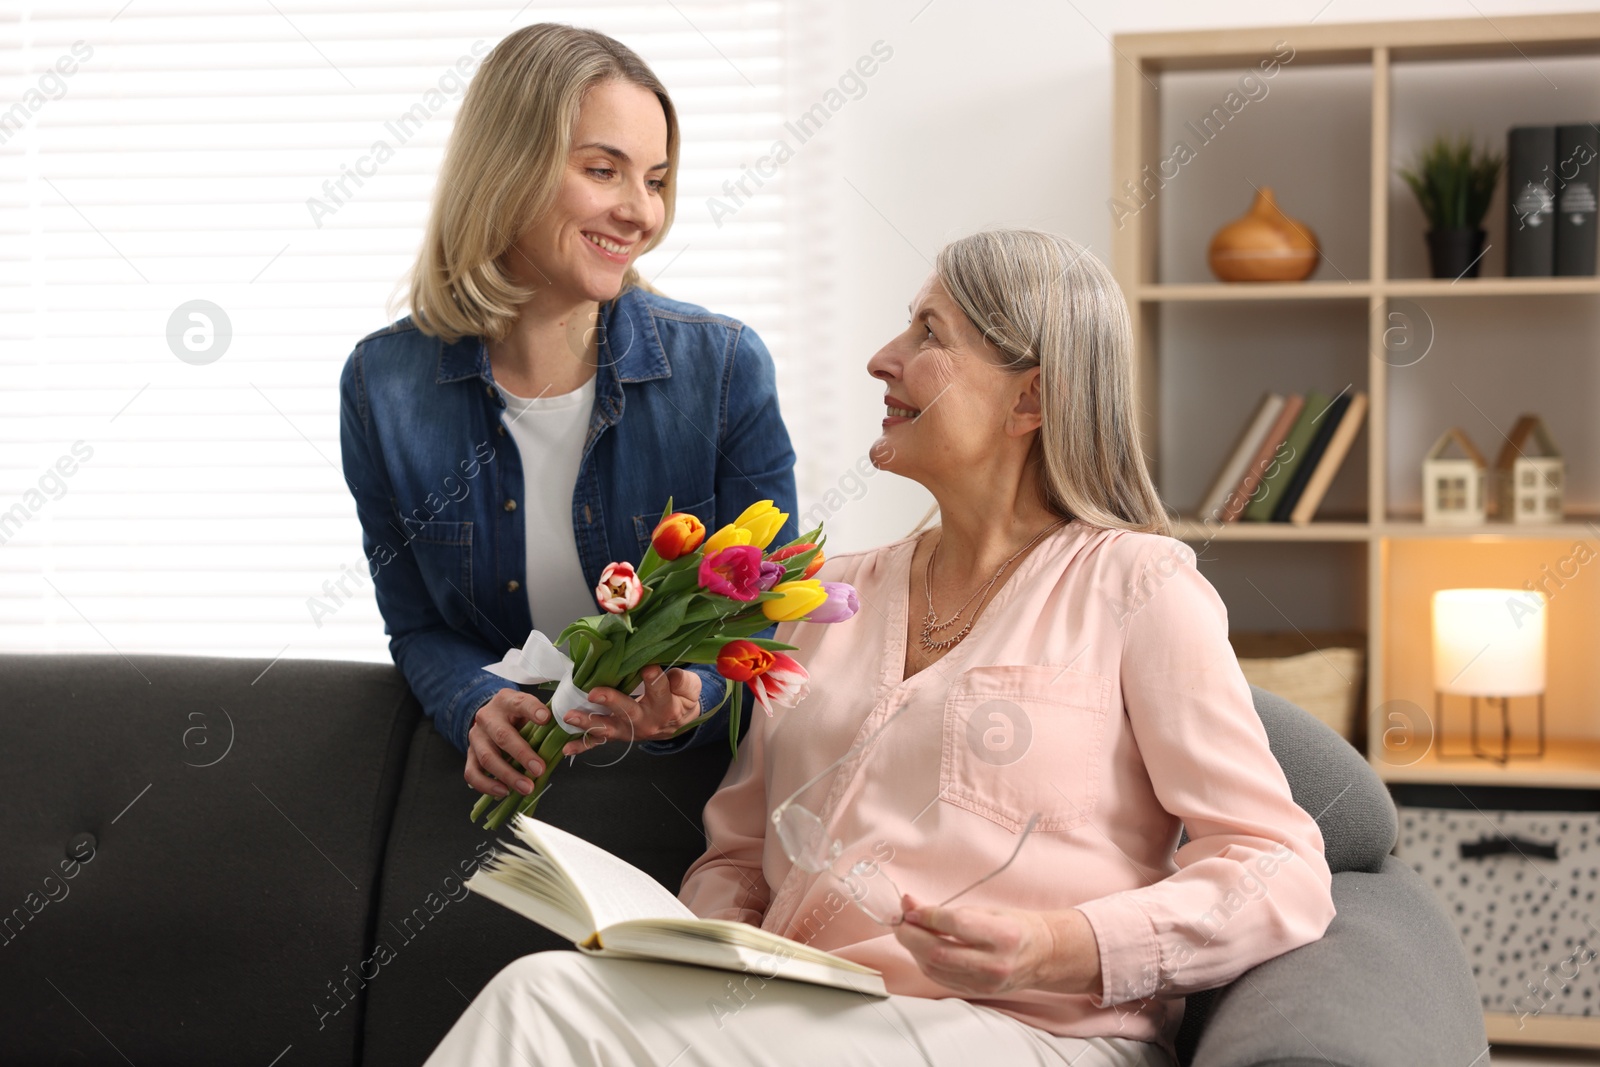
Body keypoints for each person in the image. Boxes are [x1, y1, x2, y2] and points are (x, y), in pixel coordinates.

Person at [422, 230, 1337, 1066]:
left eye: (928, 332)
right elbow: (738, 857)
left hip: (1025, 1032)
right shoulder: (825, 601)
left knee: (546, 1011)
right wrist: (699, 946)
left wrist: (1058, 943)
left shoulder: (1138, 586)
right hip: (806, 1018)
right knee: (544, 994)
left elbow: (1277, 864)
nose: (882, 359)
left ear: (1034, 396)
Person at [337, 24, 798, 801]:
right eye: (602, 170)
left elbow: (763, 615)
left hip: (682, 798)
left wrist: (691, 692)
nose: (641, 212)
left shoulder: (723, 369)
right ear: (505, 168)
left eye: (654, 180)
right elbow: (418, 626)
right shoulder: (382, 386)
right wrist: (473, 702)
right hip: (501, 795)